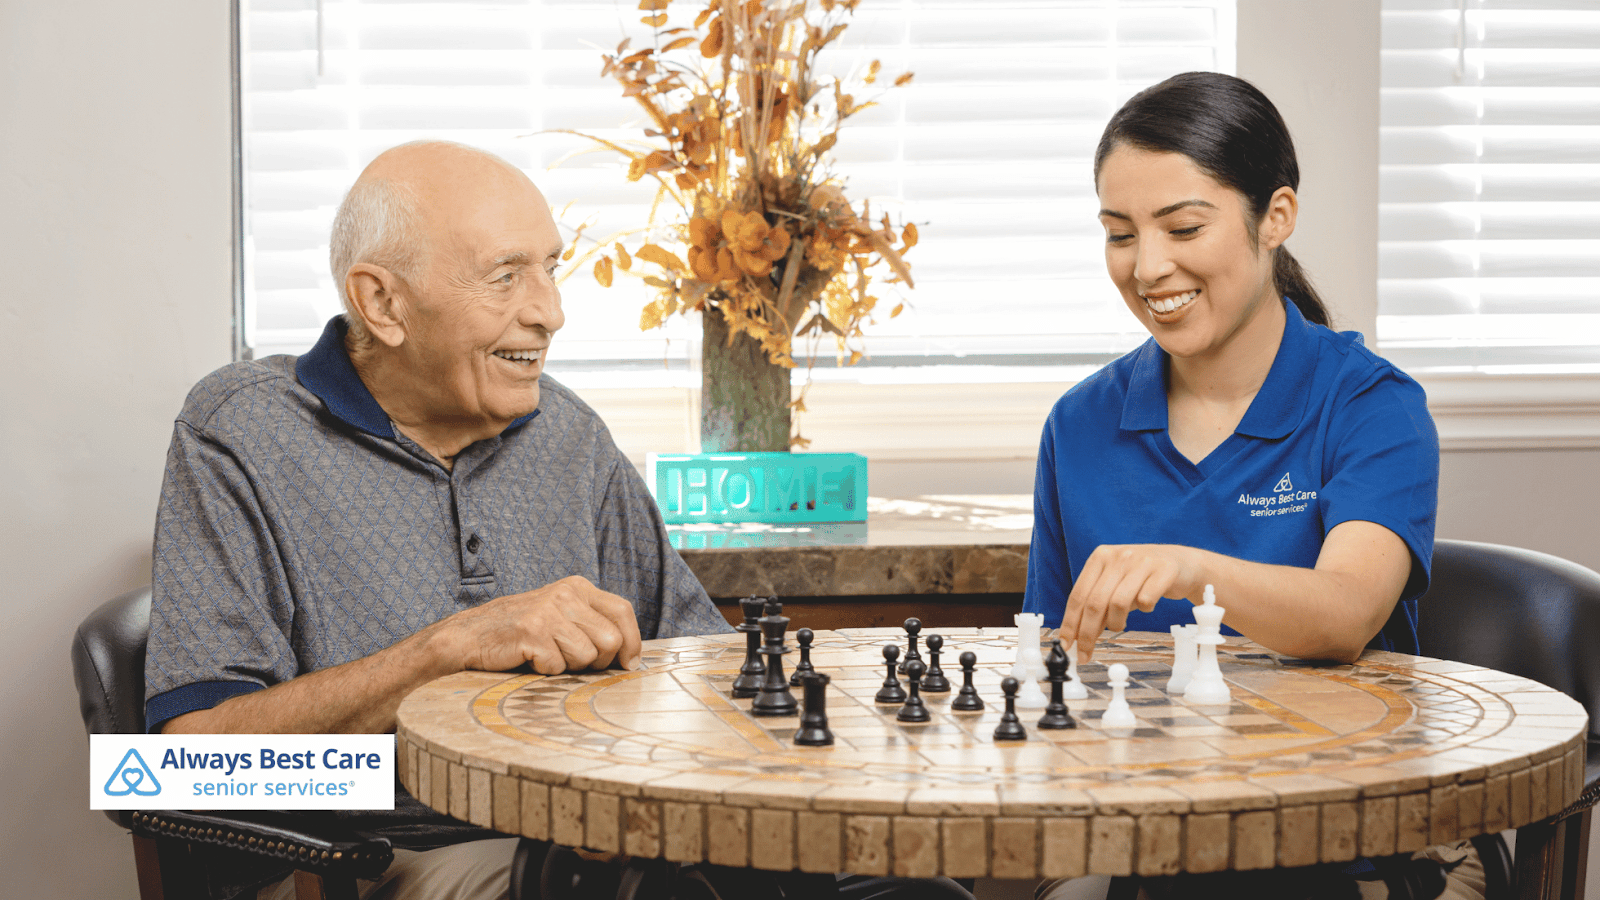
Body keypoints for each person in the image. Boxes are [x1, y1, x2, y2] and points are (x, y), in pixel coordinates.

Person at [146, 140, 973, 900]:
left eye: (550, 269)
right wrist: (445, 651)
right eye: (506, 276)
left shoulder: (570, 434)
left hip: (617, 836)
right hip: (405, 850)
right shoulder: (239, 433)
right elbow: (187, 769)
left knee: (917, 888)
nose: (550, 312)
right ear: (383, 302)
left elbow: (702, 666)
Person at [1025, 74, 1482, 898]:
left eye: (1184, 226)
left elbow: (1344, 615)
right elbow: (1056, 665)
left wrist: (1181, 567)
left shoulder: (1373, 407)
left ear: (1276, 216)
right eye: (1119, 234)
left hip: (1351, 842)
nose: (1148, 266)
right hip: (1140, 838)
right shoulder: (1078, 425)